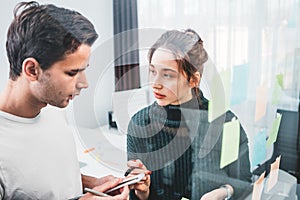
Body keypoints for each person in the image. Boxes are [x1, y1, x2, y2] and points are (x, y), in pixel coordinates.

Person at [0, 2, 129, 199]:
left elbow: (42, 180)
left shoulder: (54, 108)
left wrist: (89, 184)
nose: (84, 84)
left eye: (83, 70)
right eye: (72, 73)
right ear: (32, 70)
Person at [126, 29, 252, 200]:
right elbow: (137, 194)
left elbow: (243, 182)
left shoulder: (225, 122)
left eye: (167, 75)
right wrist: (142, 191)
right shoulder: (140, 123)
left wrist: (224, 191)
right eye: (153, 71)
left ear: (193, 79)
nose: (155, 83)